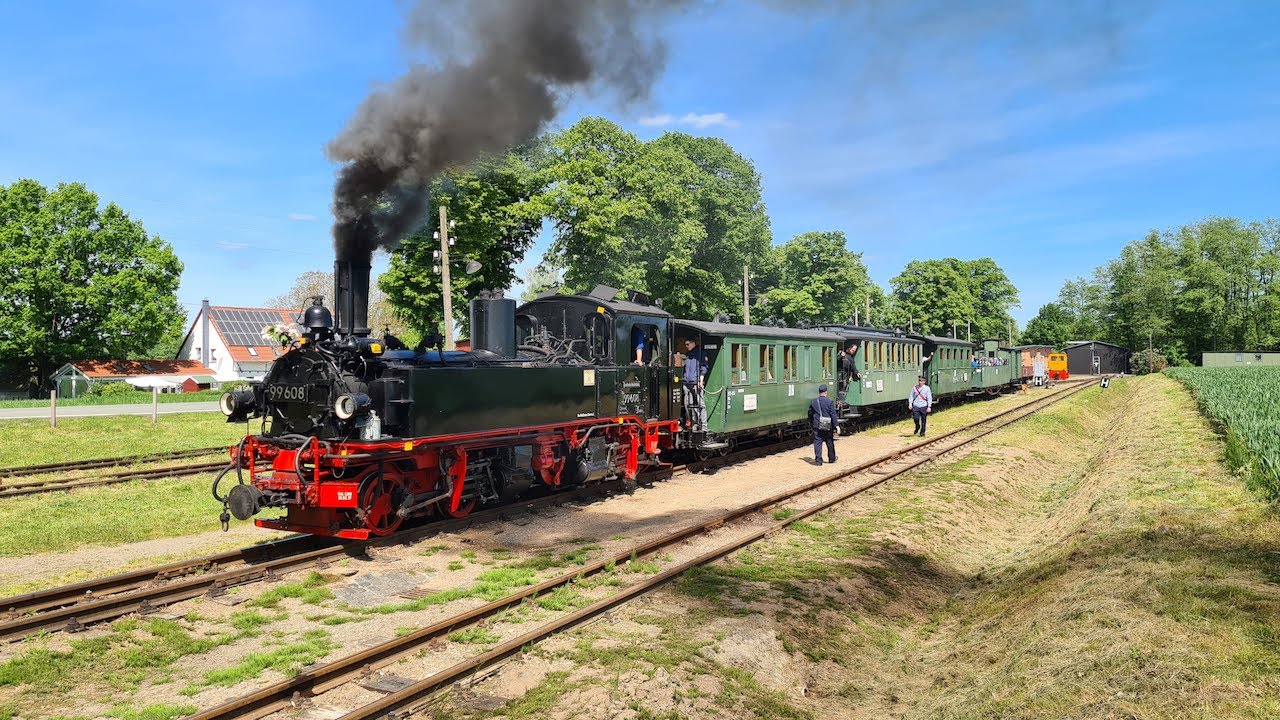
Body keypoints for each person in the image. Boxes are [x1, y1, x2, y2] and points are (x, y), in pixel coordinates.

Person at [682, 337, 708, 433]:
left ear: (693, 343)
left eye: (687, 344)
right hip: (687, 383)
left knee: (701, 405)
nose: (686, 346)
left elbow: (704, 367)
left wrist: (700, 381)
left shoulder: (701, 353)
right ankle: (694, 425)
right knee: (688, 405)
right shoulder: (688, 355)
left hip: (696, 383)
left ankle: (704, 426)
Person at [809, 384, 837, 465]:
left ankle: (818, 461)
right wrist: (836, 425)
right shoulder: (829, 402)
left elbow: (810, 413)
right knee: (829, 442)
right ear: (826, 392)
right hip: (828, 425)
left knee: (818, 442)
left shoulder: (814, 402)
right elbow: (833, 414)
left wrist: (812, 422)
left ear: (819, 392)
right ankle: (831, 458)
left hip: (817, 425)